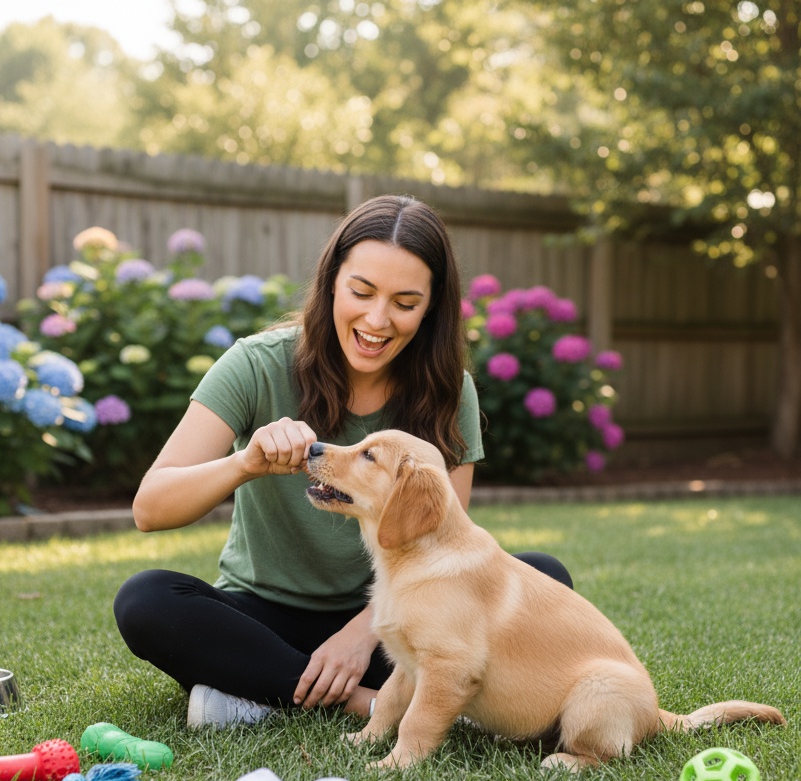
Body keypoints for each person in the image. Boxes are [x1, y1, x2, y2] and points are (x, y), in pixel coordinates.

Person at [113, 194, 572, 729]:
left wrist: (361, 635)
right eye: (361, 291)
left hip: (392, 624)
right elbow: (150, 508)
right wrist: (246, 464)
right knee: (145, 600)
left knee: (544, 576)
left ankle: (257, 695)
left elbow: (444, 543)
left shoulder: (451, 392)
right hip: (264, 619)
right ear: (332, 281)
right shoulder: (255, 364)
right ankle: (367, 704)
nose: (377, 320)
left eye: (405, 303)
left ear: (431, 308)